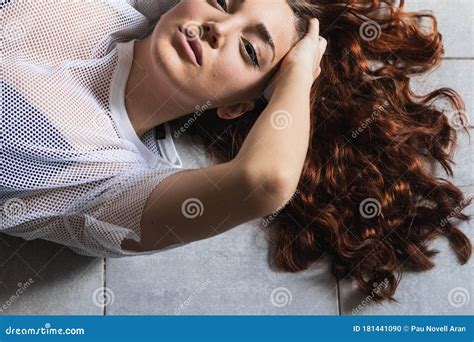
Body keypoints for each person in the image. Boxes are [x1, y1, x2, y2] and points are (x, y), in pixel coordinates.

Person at [1, 0, 471, 302]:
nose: (217, 28)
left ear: (240, 107)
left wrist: (301, 70)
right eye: (222, 2)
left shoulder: (120, 184)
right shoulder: (113, 11)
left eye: (250, 50)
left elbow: (264, 180)